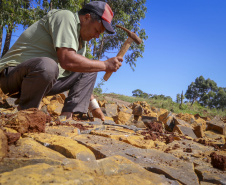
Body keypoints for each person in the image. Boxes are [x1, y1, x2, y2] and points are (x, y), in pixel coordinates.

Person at [0, 1, 123, 121]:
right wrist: (105, 65)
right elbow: (66, 60)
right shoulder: (66, 17)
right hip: (9, 78)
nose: (97, 36)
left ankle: (66, 117)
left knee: (90, 68)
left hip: (37, 84)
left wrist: (94, 107)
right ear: (86, 18)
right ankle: (26, 113)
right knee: (48, 66)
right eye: (97, 30)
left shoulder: (81, 43)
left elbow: (83, 71)